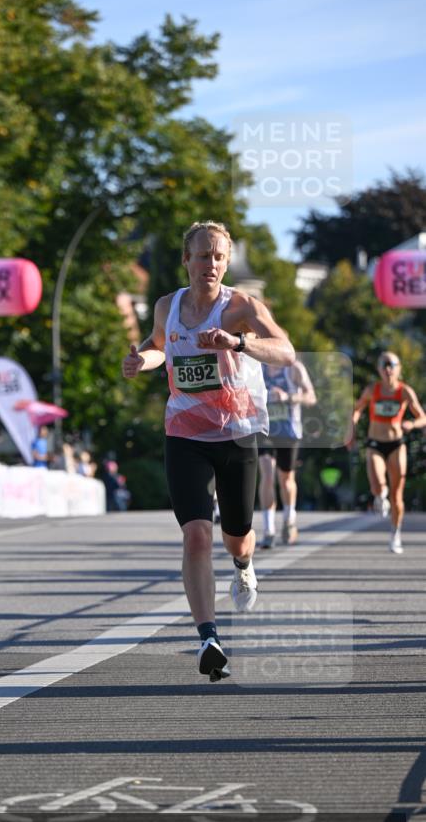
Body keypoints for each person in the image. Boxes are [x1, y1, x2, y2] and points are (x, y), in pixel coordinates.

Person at [122, 220, 295, 681]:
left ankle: (243, 565)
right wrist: (143, 359)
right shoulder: (167, 306)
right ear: (187, 260)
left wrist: (238, 342)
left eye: (219, 257)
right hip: (184, 432)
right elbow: (160, 346)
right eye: (203, 256)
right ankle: (208, 637)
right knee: (196, 533)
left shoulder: (240, 305)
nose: (211, 264)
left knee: (236, 533)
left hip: (237, 431)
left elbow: (286, 351)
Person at [349, 352, 426, 554]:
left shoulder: (404, 391)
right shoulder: (372, 390)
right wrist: (353, 424)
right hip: (375, 443)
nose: (388, 369)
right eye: (384, 365)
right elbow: (357, 409)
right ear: (379, 369)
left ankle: (395, 533)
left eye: (392, 365)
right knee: (377, 484)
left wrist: (412, 423)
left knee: (396, 495)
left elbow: (422, 417)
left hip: (397, 444)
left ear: (399, 368)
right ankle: (379, 495)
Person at [258, 360, 316, 548]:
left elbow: (311, 397)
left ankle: (289, 521)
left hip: (288, 432)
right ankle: (268, 530)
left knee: (286, 479)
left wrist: (287, 397)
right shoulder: (257, 366)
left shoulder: (294, 368)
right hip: (265, 430)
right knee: (267, 475)